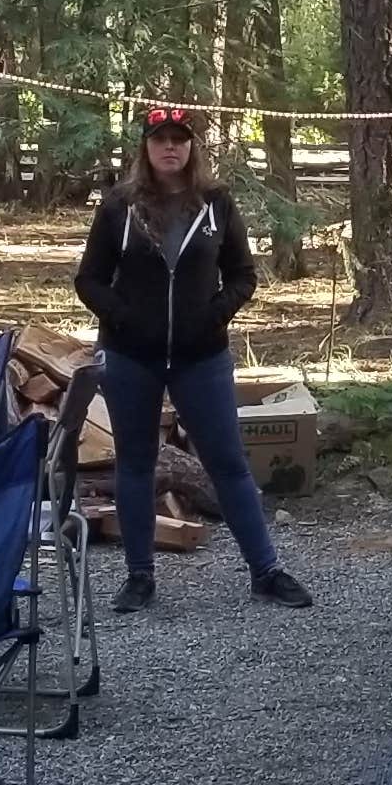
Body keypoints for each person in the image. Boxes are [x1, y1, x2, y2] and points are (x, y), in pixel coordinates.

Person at [74, 106, 310, 614]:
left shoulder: (217, 204)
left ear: (192, 147)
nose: (170, 148)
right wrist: (123, 317)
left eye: (179, 139)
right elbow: (89, 279)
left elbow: (243, 275)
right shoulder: (119, 205)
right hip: (131, 355)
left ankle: (265, 570)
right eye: (160, 139)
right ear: (145, 147)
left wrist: (215, 315)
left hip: (201, 357)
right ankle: (139, 576)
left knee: (228, 462)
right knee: (135, 464)